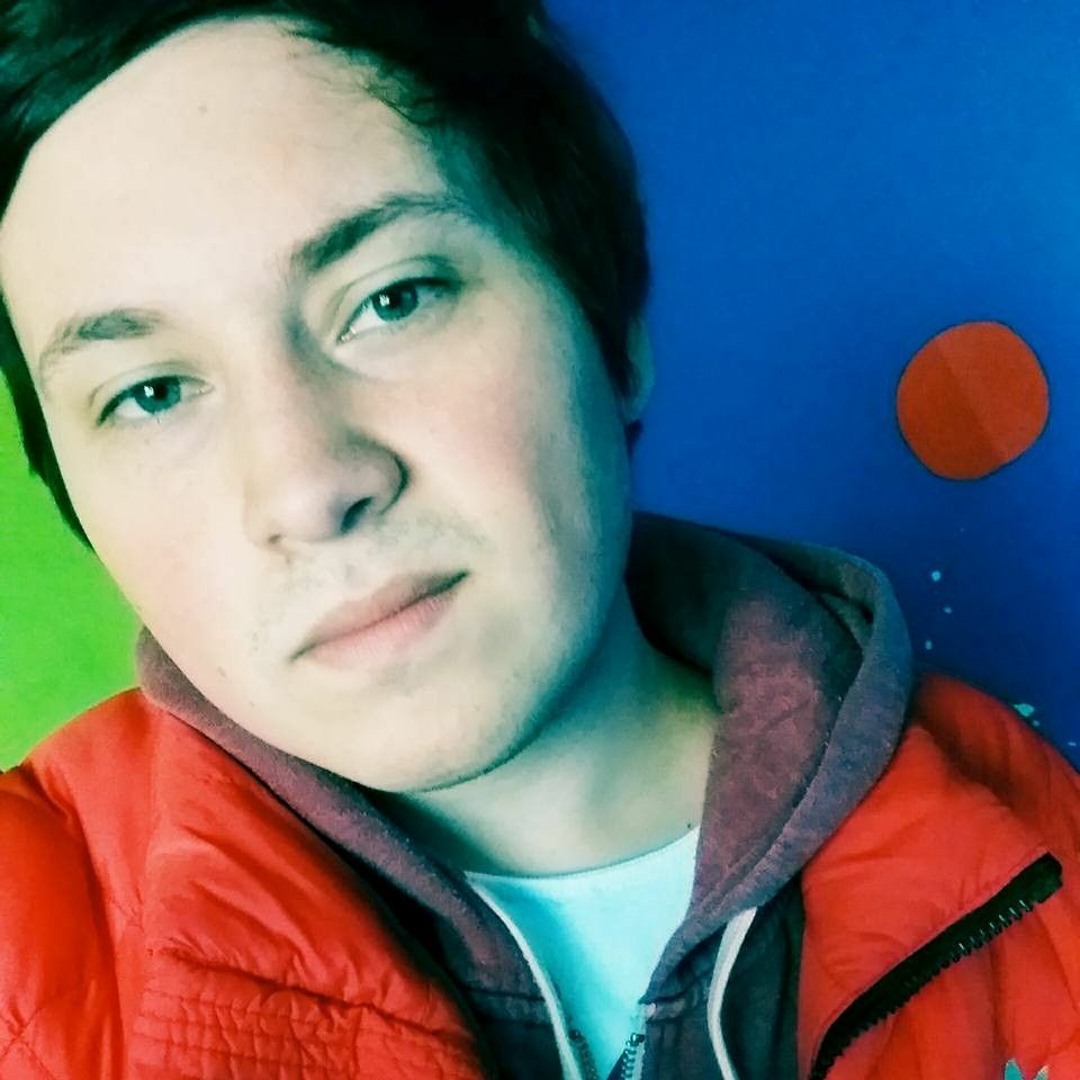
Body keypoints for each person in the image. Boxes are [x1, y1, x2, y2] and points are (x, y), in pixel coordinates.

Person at [0, 2, 1077, 1077]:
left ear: (615, 335)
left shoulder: (1037, 845)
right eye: (149, 393)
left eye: (392, 299)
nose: (309, 485)